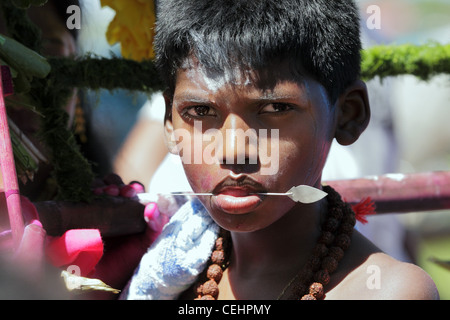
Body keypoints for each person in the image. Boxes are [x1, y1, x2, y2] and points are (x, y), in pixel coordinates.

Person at [121, 0, 439, 300]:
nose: (234, 151)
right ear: (169, 122)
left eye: (275, 107)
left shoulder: (384, 291)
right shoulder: (157, 273)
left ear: (347, 115)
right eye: (201, 112)